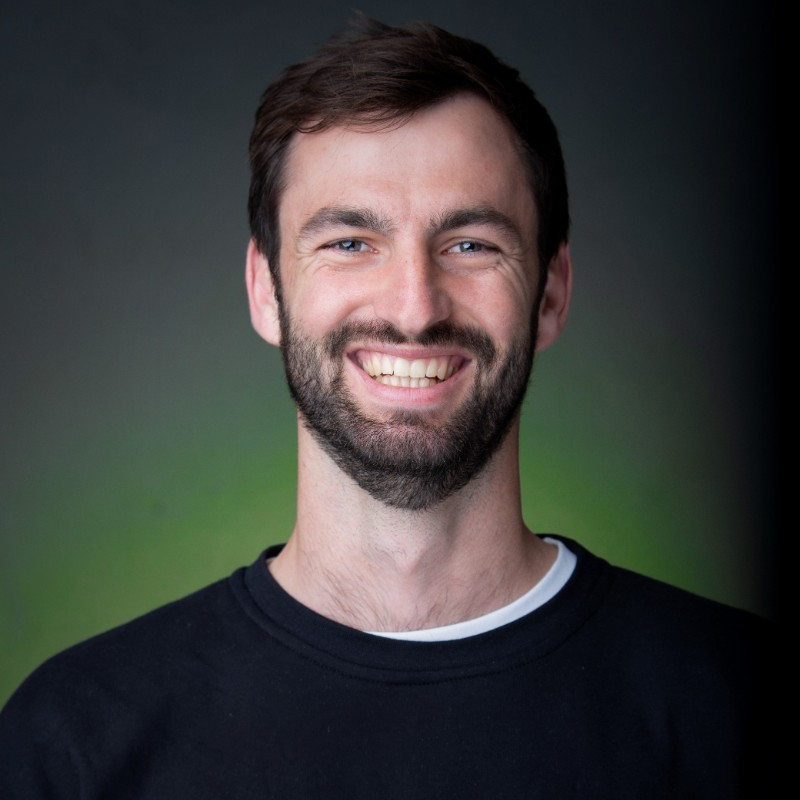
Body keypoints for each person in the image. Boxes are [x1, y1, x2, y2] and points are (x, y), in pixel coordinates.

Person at [0, 17, 771, 799]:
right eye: (349, 243)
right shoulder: (75, 742)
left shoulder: (739, 706)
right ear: (266, 290)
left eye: (471, 245)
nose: (413, 308)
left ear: (551, 293)